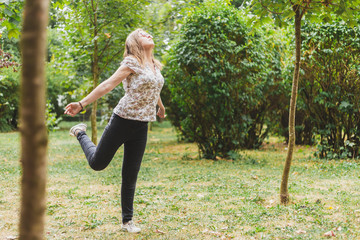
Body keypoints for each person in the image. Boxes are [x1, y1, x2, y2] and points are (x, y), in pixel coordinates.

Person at [64, 28, 166, 233]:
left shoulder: (155, 66)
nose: (149, 35)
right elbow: (108, 85)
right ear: (135, 42)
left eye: (149, 33)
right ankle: (80, 132)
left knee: (131, 174)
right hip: (122, 120)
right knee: (97, 164)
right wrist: (82, 104)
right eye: (143, 34)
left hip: (142, 125)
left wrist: (161, 107)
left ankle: (127, 221)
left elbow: (154, 90)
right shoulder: (131, 63)